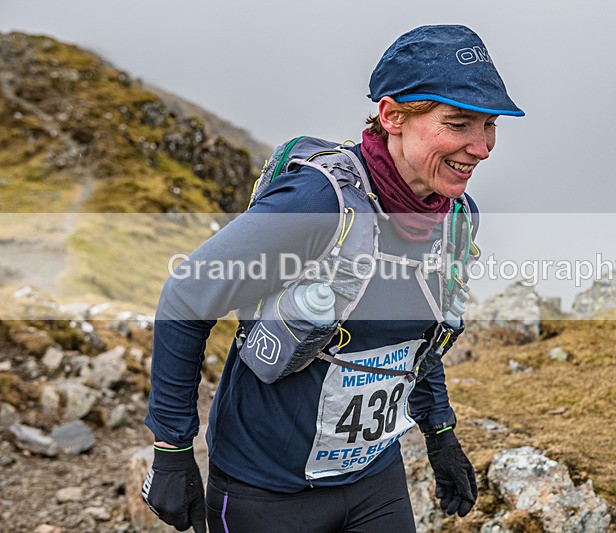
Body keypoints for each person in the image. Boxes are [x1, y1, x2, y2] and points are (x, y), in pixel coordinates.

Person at [142, 24, 523, 533]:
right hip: (267, 493)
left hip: (374, 482)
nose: (482, 146)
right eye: (458, 124)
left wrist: (440, 432)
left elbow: (417, 340)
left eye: (489, 125)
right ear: (392, 116)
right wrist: (172, 448)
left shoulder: (453, 219)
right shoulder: (318, 203)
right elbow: (187, 296)